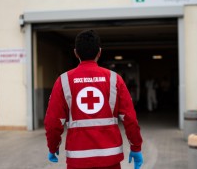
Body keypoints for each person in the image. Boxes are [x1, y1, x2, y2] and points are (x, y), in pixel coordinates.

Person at [44, 29, 143, 169]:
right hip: (110, 159)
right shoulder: (115, 79)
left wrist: (53, 147)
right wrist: (136, 147)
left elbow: (53, 122)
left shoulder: (63, 81)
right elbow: (130, 119)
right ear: (99, 52)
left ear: (76, 53)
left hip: (77, 160)